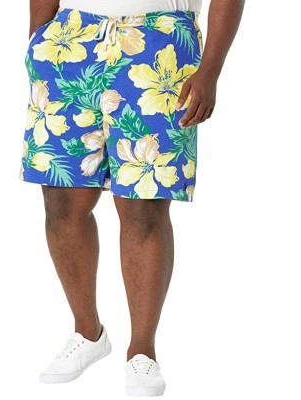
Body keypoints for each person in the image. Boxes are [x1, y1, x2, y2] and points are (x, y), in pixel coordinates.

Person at [19, 0, 244, 396]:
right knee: (61, 202)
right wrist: (38, 40)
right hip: (70, 38)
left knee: (144, 206)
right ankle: (88, 333)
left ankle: (142, 350)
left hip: (159, 42)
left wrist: (210, 69)